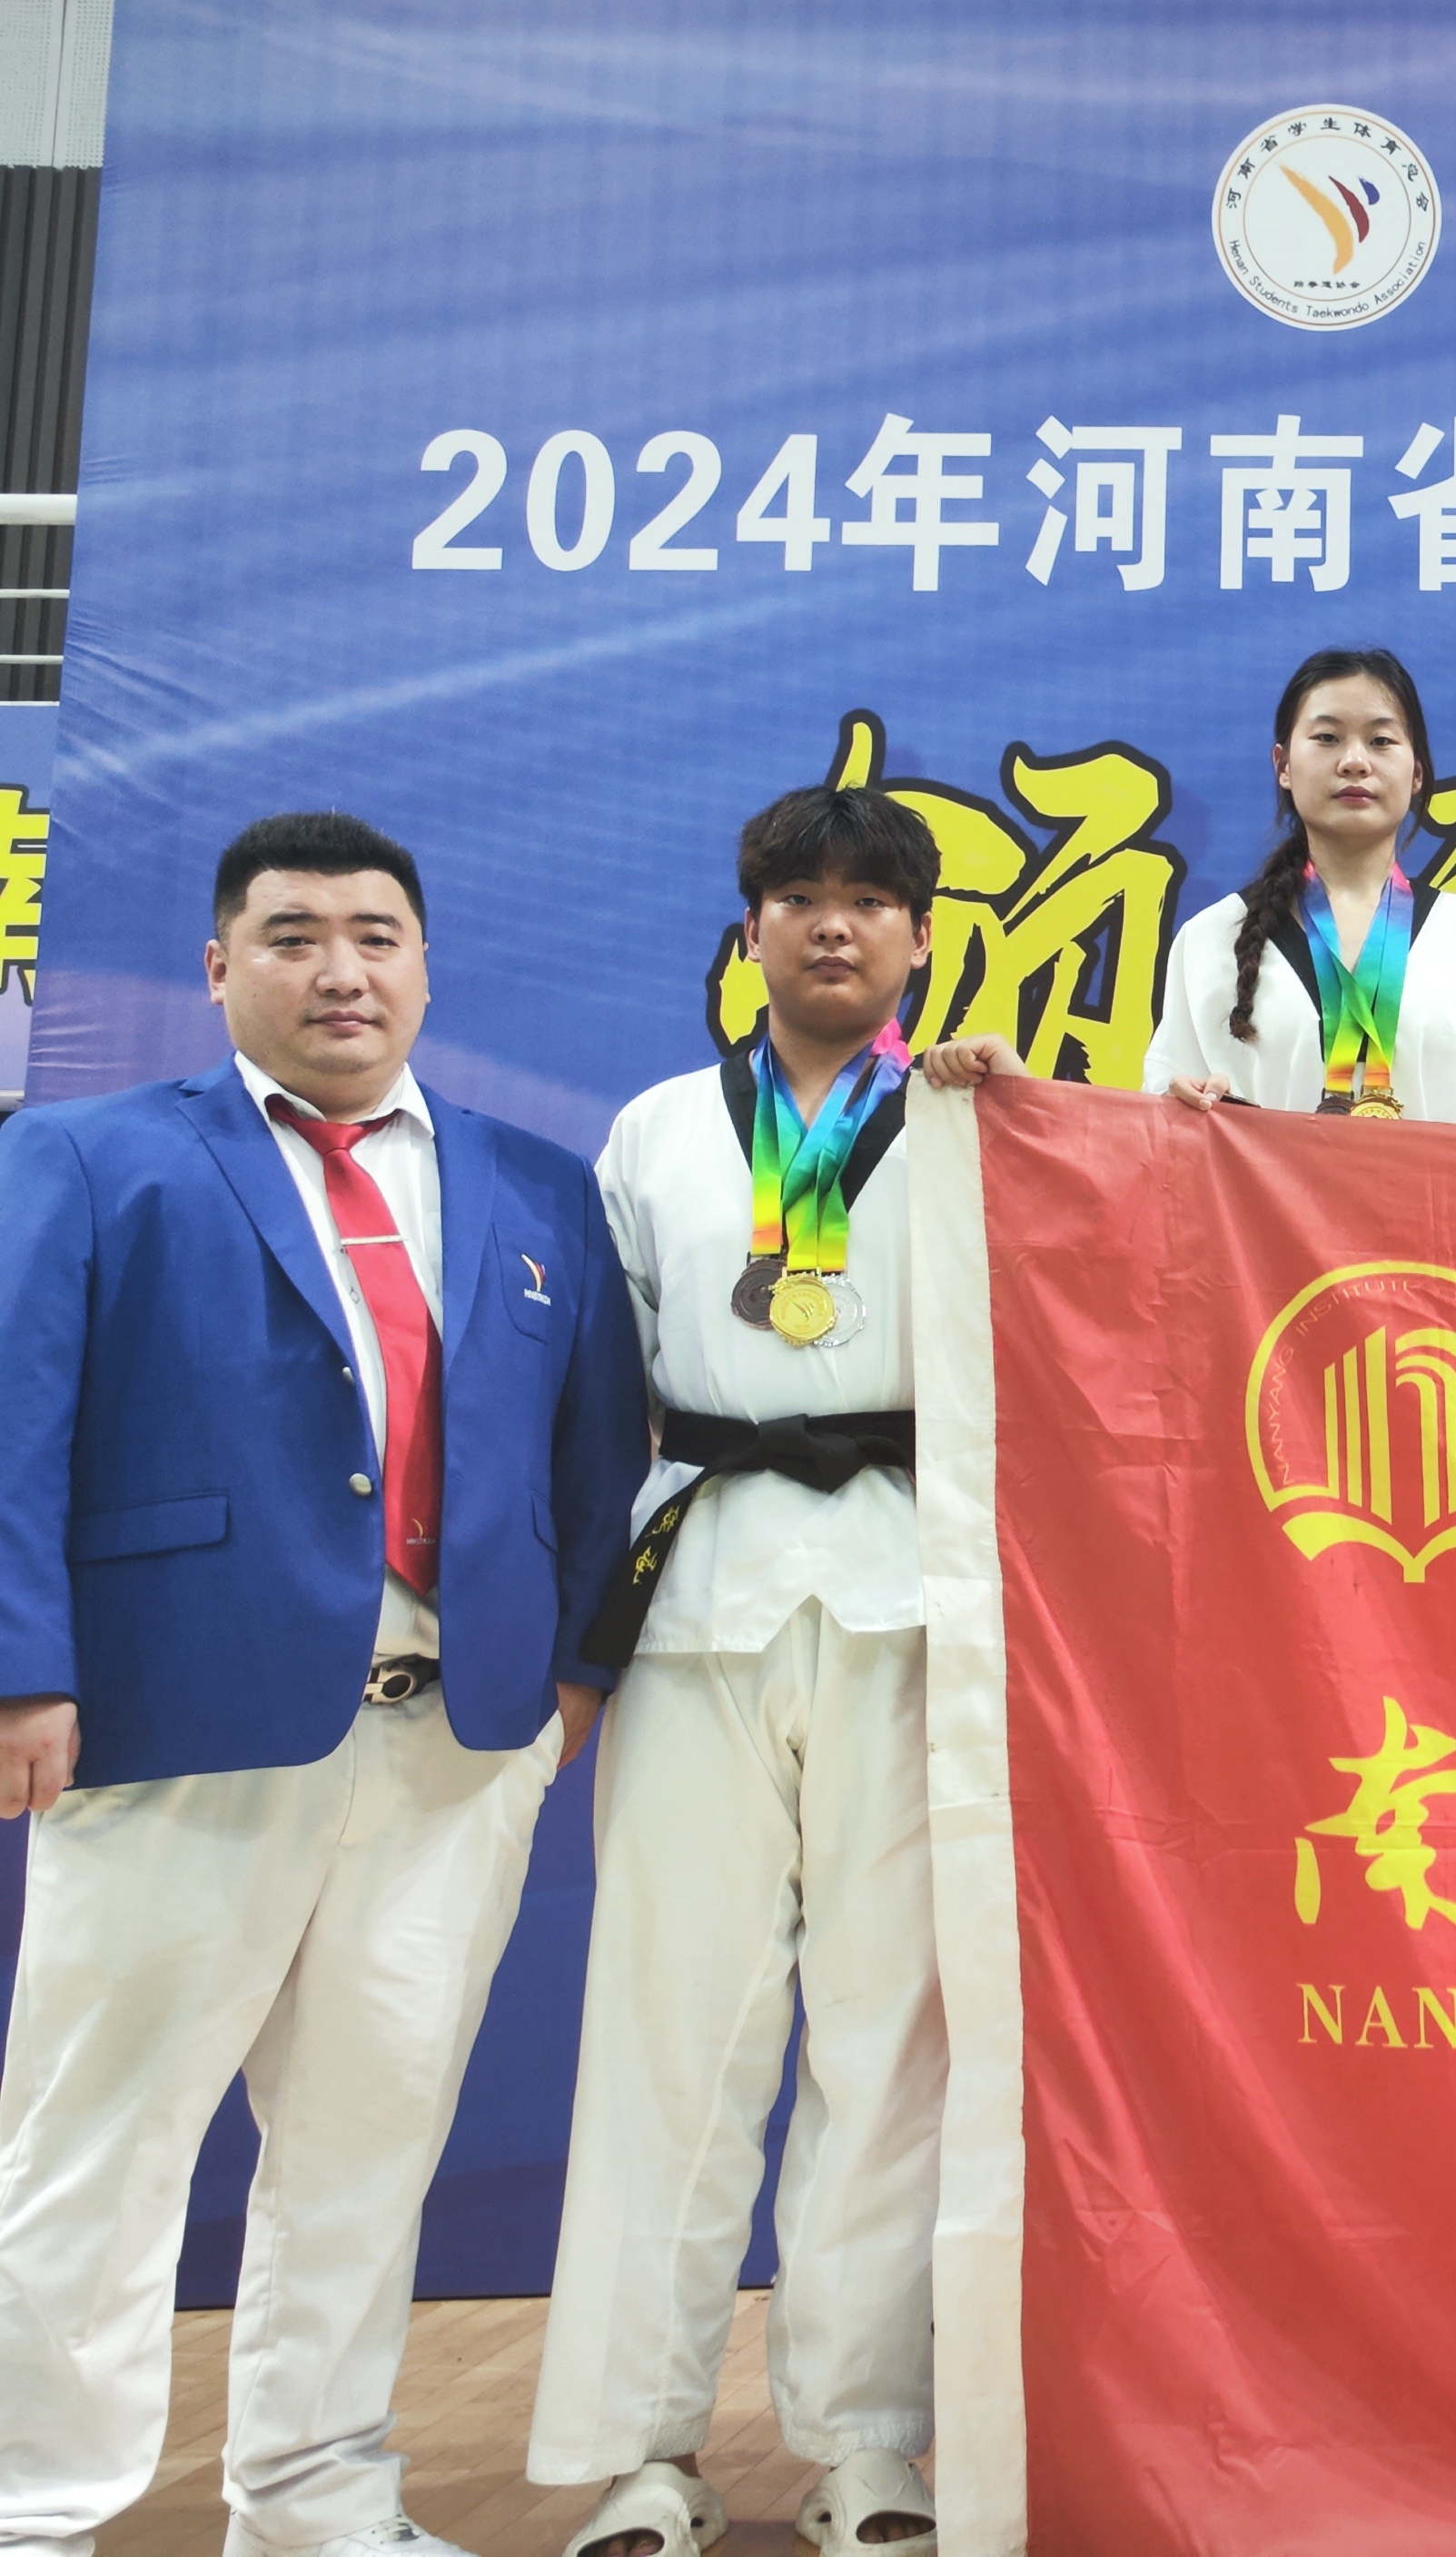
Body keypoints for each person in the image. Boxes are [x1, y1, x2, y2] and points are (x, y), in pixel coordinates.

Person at [0, 811, 645, 2557]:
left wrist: (575, 1672)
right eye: (293, 937)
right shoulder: (87, 1157)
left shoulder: (537, 1185)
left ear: (425, 967)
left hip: (459, 1740)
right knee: (96, 2138)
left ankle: (316, 2500)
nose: (340, 970)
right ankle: (34, 2507)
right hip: (176, 1722)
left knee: (370, 2143)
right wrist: (21, 1667)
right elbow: (13, 1420)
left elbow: (599, 1457)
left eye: (375, 935)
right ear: (221, 967)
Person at [528, 786, 947, 2557]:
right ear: (750, 928)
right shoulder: (651, 1134)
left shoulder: (978, 1122)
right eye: (801, 898)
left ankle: (873, 2445)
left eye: (869, 900)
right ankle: (642, 2450)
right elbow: (586, 1399)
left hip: (915, 1602)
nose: (834, 925)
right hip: (695, 1596)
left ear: (919, 937)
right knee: (671, 2029)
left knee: (891, 2040)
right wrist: (573, 1644)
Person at [1131, 646, 1456, 1133]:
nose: (1354, 761)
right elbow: (1162, 1122)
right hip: (1268, 1188)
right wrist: (1184, 1106)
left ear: (1417, 772)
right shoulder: (1210, 938)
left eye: (1381, 741)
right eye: (1327, 737)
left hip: (1436, 1188)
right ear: (1283, 764)